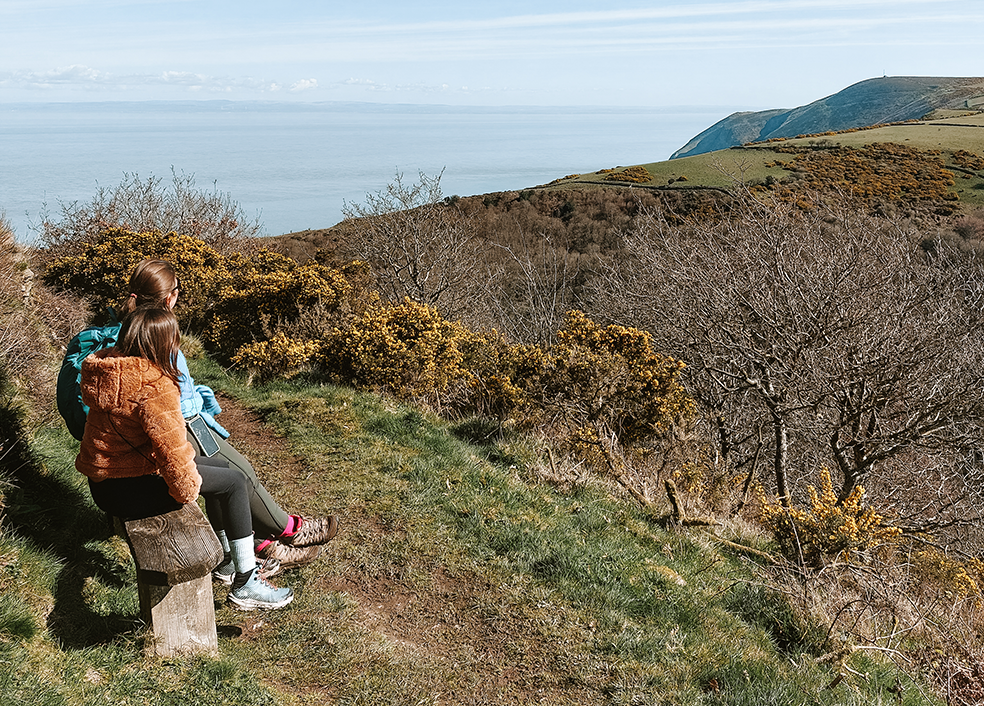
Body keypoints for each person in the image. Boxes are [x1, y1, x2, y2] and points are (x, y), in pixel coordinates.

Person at [120, 259, 338, 571]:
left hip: (166, 430)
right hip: (180, 428)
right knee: (239, 474)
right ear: (170, 298)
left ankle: (263, 542)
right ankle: (289, 531)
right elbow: (165, 393)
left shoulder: (132, 327)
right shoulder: (156, 331)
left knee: (231, 476)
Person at [75, 307, 293, 610]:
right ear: (164, 344)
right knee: (233, 482)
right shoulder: (154, 386)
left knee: (222, 470)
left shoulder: (111, 370)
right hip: (128, 490)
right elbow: (173, 456)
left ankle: (229, 560)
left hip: (105, 485)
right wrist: (187, 492)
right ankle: (245, 581)